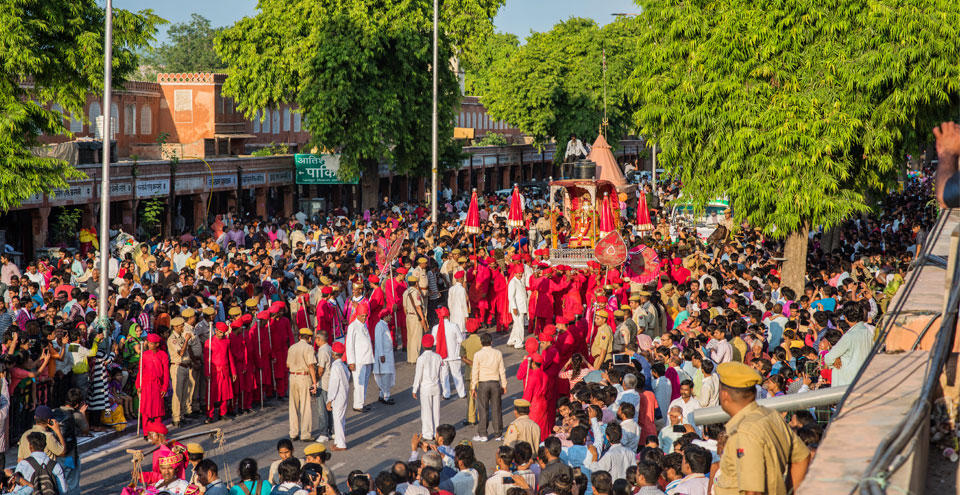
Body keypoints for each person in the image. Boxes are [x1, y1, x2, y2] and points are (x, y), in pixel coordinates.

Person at [713, 362, 810, 494]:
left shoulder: (744, 432)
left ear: (724, 395)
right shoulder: (771, 415)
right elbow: (802, 458)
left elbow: (753, 491)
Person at [823, 303, 873, 387]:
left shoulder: (849, 336)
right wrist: (837, 357)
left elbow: (828, 358)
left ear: (846, 318)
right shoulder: (868, 333)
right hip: (863, 381)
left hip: (847, 382)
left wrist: (836, 358)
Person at [470, 332, 506, 442]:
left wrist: (473, 386)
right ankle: (498, 434)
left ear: (481, 343)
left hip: (483, 383)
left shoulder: (478, 355)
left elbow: (475, 371)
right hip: (495, 383)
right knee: (496, 409)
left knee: (483, 409)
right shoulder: (498, 353)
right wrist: (504, 384)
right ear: (491, 342)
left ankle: (483, 434)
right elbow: (502, 370)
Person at [287, 328, 318, 441]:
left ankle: (293, 432)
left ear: (299, 337)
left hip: (292, 376)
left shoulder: (292, 347)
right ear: (309, 338)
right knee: (305, 406)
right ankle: (305, 434)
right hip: (303, 376)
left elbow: (288, 364)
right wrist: (314, 382)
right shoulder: (309, 348)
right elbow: (311, 366)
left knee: (293, 406)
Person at [204, 322, 236, 424]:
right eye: (220, 332)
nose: (222, 334)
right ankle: (210, 415)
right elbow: (206, 360)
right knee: (212, 395)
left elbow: (230, 357)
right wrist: (207, 373)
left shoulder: (226, 342)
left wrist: (233, 371)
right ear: (216, 331)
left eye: (223, 333)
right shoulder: (208, 342)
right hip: (214, 372)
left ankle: (223, 413)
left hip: (225, 371)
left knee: (225, 394)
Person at [137, 333, 170, 431]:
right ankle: (146, 432)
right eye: (149, 343)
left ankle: (158, 430)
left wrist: (165, 387)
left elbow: (166, 373)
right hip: (146, 385)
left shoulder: (163, 355)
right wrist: (138, 385)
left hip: (157, 385)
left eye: (152, 343)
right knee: (145, 409)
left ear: (157, 344)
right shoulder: (145, 355)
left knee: (158, 408)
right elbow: (140, 371)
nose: (149, 345)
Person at [412, 334, 443, 441]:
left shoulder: (421, 358)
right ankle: (436, 432)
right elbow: (442, 373)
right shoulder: (438, 357)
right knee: (436, 411)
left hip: (425, 388)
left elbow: (418, 375)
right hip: (436, 386)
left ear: (423, 345)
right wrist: (443, 386)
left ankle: (427, 433)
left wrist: (414, 388)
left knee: (426, 411)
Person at [432, 307, 466, 400]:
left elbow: (434, 342)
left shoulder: (435, 328)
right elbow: (460, 339)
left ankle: (446, 394)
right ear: (448, 315)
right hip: (454, 355)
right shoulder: (454, 326)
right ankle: (462, 393)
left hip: (441, 356)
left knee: (444, 375)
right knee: (457, 374)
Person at [345, 305, 374, 412]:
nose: (364, 318)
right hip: (358, 361)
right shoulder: (353, 326)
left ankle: (362, 402)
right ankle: (357, 404)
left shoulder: (364, 325)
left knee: (365, 382)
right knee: (359, 383)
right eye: (362, 316)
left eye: (366, 316)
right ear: (357, 314)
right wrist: (351, 362)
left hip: (367, 359)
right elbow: (349, 345)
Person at [167, 316, 194, 428]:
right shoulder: (172, 339)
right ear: (175, 327)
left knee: (184, 392)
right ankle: (176, 417)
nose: (183, 327)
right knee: (177, 394)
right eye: (181, 326)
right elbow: (181, 353)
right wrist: (187, 339)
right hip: (177, 366)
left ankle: (181, 415)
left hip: (185, 366)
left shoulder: (181, 337)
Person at [326, 342, 350, 451]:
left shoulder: (336, 366)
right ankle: (338, 441)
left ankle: (341, 444)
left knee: (338, 419)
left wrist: (329, 399)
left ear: (334, 354)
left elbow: (333, 384)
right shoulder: (343, 365)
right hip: (343, 393)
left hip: (337, 396)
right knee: (341, 419)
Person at [314, 330, 334, 442]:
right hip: (329, 381)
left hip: (323, 382)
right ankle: (330, 431)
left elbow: (321, 369)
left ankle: (323, 433)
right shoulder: (329, 348)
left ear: (319, 339)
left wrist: (315, 380)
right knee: (329, 408)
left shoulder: (322, 351)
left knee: (322, 410)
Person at [373, 311, 396, 405]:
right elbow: (378, 341)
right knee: (385, 376)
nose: (391, 317)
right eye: (389, 315)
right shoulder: (379, 326)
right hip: (383, 356)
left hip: (387, 355)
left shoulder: (384, 325)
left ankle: (382, 395)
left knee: (386, 375)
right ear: (385, 317)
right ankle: (386, 397)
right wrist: (381, 355)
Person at [506, 267, 528, 349]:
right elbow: (511, 297)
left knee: (517, 325)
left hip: (521, 307)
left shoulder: (519, 281)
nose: (520, 275)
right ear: (515, 273)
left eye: (521, 273)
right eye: (518, 273)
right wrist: (514, 307)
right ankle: (519, 343)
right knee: (520, 325)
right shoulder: (513, 282)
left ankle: (511, 340)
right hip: (517, 308)